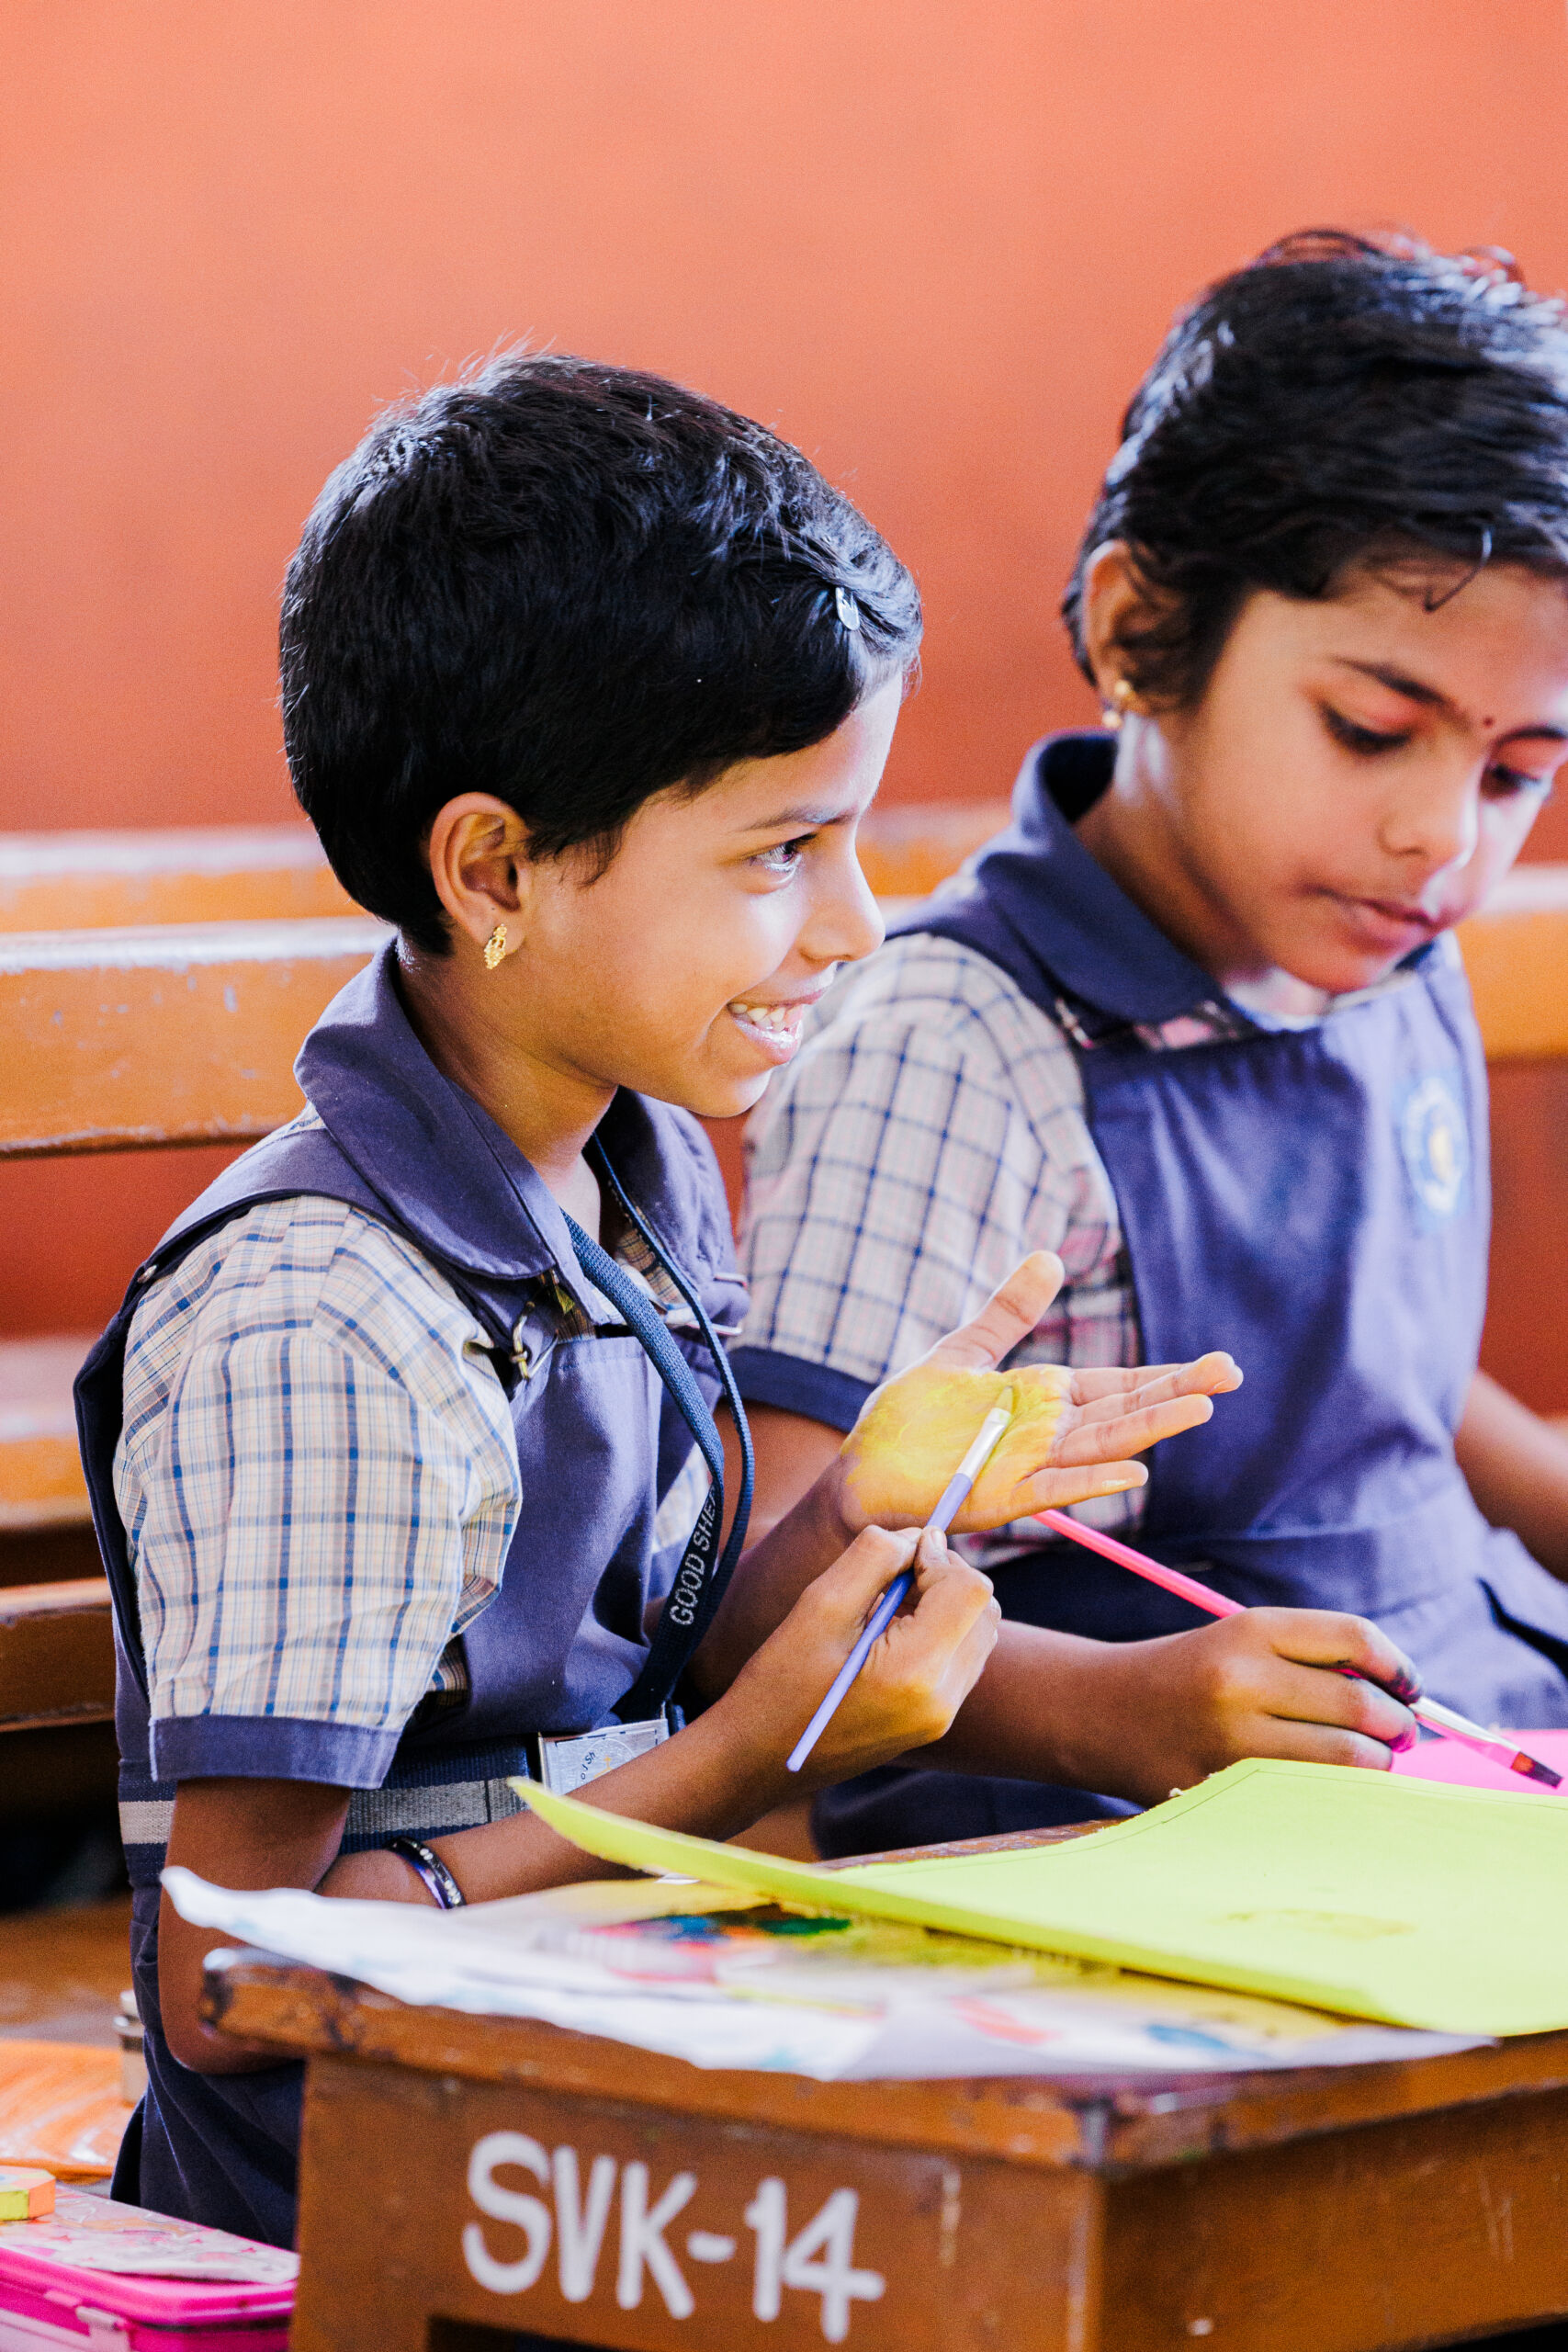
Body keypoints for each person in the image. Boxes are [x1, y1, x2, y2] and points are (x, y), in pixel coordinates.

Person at [79, 353, 1382, 2249]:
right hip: (367, 2198)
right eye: (782, 851)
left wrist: (865, 1513)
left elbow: (671, 1664)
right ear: (496, 869)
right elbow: (226, 1980)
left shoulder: (633, 1167)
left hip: (599, 2081)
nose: (856, 923)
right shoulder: (322, 1323)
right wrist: (746, 1766)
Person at [730, 231, 1568, 1861]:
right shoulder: (954, 1044)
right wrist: (1124, 1711)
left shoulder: (1392, 957)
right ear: (1139, 630)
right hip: (1098, 1809)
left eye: (1517, 773)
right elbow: (781, 1589)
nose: (1443, 838)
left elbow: (1380, 1379)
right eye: (1371, 731)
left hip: (1450, 1722)